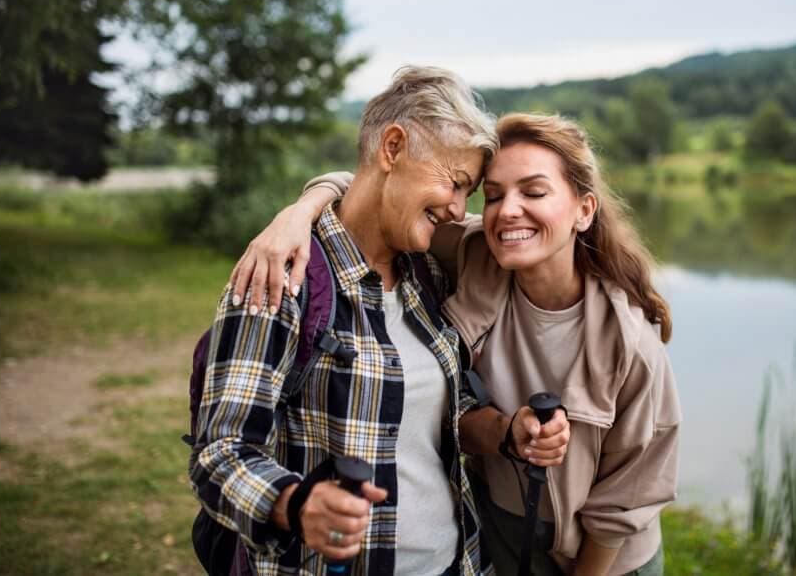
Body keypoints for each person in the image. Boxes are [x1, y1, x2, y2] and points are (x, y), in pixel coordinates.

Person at [233, 113, 681, 575]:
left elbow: (632, 493)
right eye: (492, 195)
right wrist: (300, 212)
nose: (508, 210)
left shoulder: (630, 339)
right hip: (502, 534)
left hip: (607, 555)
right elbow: (379, 193)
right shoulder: (473, 252)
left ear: (584, 210)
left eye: (533, 192)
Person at [190, 66, 569, 576]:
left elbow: (439, 412)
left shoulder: (428, 273)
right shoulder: (283, 276)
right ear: (392, 148)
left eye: (468, 194)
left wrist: (508, 433)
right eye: (456, 183)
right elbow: (220, 453)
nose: (459, 211)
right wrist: (295, 504)